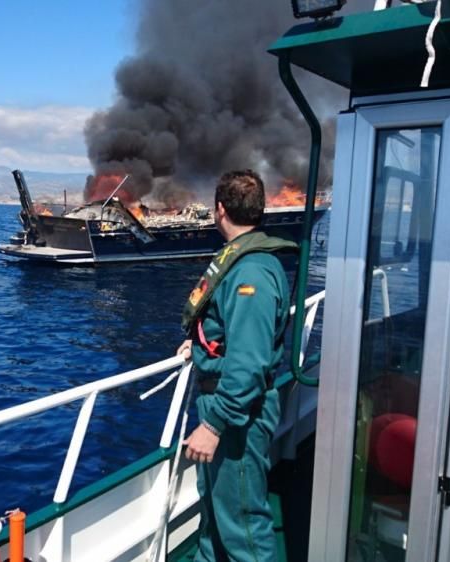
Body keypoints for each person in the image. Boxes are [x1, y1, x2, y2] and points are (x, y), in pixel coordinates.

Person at [177, 170, 297, 562]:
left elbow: (248, 363)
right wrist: (197, 344)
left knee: (244, 527)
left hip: (235, 415)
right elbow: (228, 329)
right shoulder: (242, 261)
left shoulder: (251, 273)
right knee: (215, 518)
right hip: (223, 404)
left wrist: (214, 426)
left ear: (220, 210)